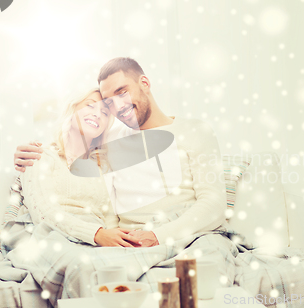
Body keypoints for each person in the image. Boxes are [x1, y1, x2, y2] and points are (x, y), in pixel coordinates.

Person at [14, 57, 227, 247]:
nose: (118, 106)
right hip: (128, 241)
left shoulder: (195, 131)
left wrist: (158, 236)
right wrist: (28, 153)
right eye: (109, 102)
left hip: (184, 235)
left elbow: (214, 204)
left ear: (144, 84)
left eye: (122, 92)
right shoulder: (110, 138)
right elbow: (71, 143)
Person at [18, 88, 141, 247]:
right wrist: (96, 234)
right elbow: (43, 213)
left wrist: (116, 242)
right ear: (72, 109)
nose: (97, 114)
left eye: (104, 113)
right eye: (90, 106)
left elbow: (110, 218)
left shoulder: (103, 168)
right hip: (52, 239)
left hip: (96, 243)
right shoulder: (40, 157)